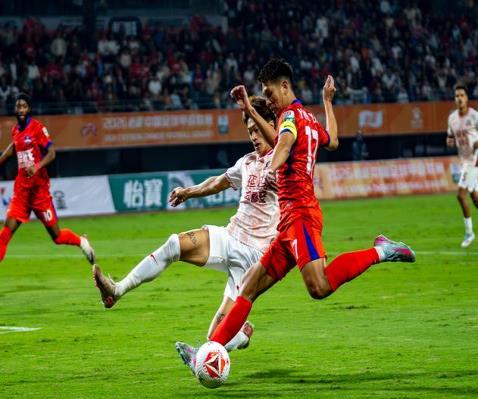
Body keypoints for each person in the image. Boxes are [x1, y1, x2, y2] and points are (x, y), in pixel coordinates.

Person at [176, 59, 415, 372]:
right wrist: (327, 101)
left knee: (319, 286)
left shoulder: (289, 116)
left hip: (301, 216)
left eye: (269, 92)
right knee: (247, 288)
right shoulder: (309, 118)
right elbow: (333, 141)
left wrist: (270, 168)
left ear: (285, 86)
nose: (269, 99)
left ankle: (381, 250)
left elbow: (284, 142)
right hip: (287, 223)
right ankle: (207, 352)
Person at [93, 96, 279, 353]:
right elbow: (218, 182)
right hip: (230, 237)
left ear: (271, 125)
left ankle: (240, 338)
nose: (254, 137)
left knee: (215, 337)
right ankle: (116, 290)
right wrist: (188, 192)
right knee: (174, 244)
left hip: (253, 257)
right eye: (250, 132)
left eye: (258, 130)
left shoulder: (284, 162)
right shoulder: (247, 162)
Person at [0, 93, 95, 263]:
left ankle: (81, 242)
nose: (21, 109)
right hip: (21, 193)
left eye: (24, 106)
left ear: (29, 109)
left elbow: (52, 153)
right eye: (18, 106)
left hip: (39, 193)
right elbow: (13, 148)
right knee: (4, 235)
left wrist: (36, 167)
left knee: (57, 237)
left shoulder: (38, 128)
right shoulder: (15, 130)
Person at [446, 84, 478, 248]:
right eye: (457, 96)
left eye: (462, 95)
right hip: (463, 163)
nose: (459, 98)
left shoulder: (475, 115)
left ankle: (469, 232)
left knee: (460, 195)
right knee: (475, 199)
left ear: (467, 98)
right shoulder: (452, 118)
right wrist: (449, 141)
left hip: (473, 162)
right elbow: (450, 135)